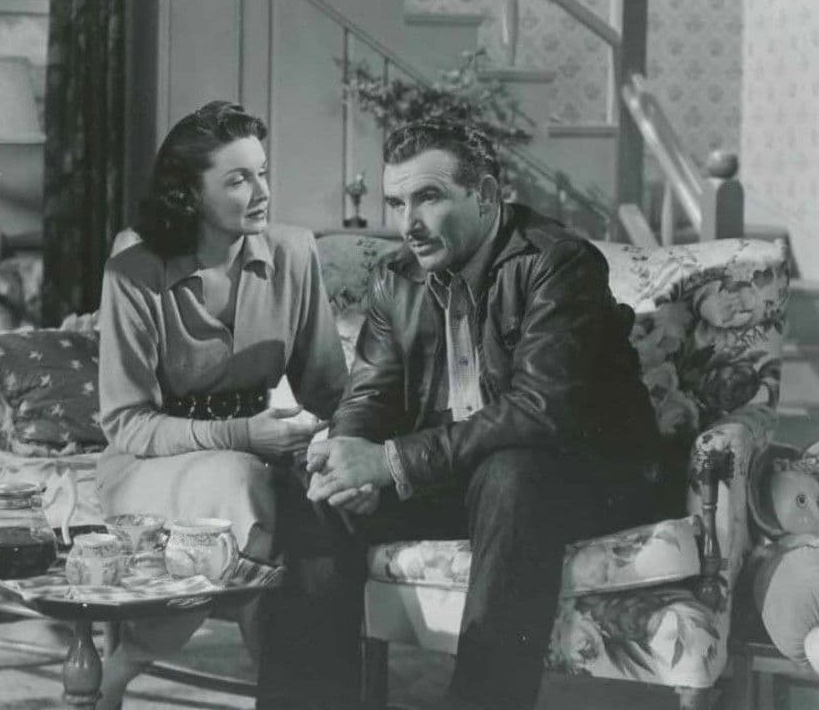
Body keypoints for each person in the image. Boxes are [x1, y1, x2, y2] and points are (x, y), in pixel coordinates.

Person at [256, 120, 662, 710]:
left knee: (512, 471)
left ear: (487, 195)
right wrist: (349, 460)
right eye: (397, 203)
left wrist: (390, 462)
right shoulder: (397, 279)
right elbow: (368, 396)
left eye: (428, 197)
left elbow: (539, 410)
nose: (408, 223)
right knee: (317, 487)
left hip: (582, 482)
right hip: (461, 478)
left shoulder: (558, 262)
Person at [93, 100, 347, 710]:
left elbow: (330, 389)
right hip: (148, 465)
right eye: (237, 180)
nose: (262, 192)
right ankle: (127, 663)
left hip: (259, 460)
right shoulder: (133, 271)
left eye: (263, 172)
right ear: (188, 193)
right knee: (243, 486)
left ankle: (291, 691)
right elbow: (127, 422)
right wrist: (243, 436)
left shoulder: (294, 253)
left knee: (298, 498)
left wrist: (343, 446)